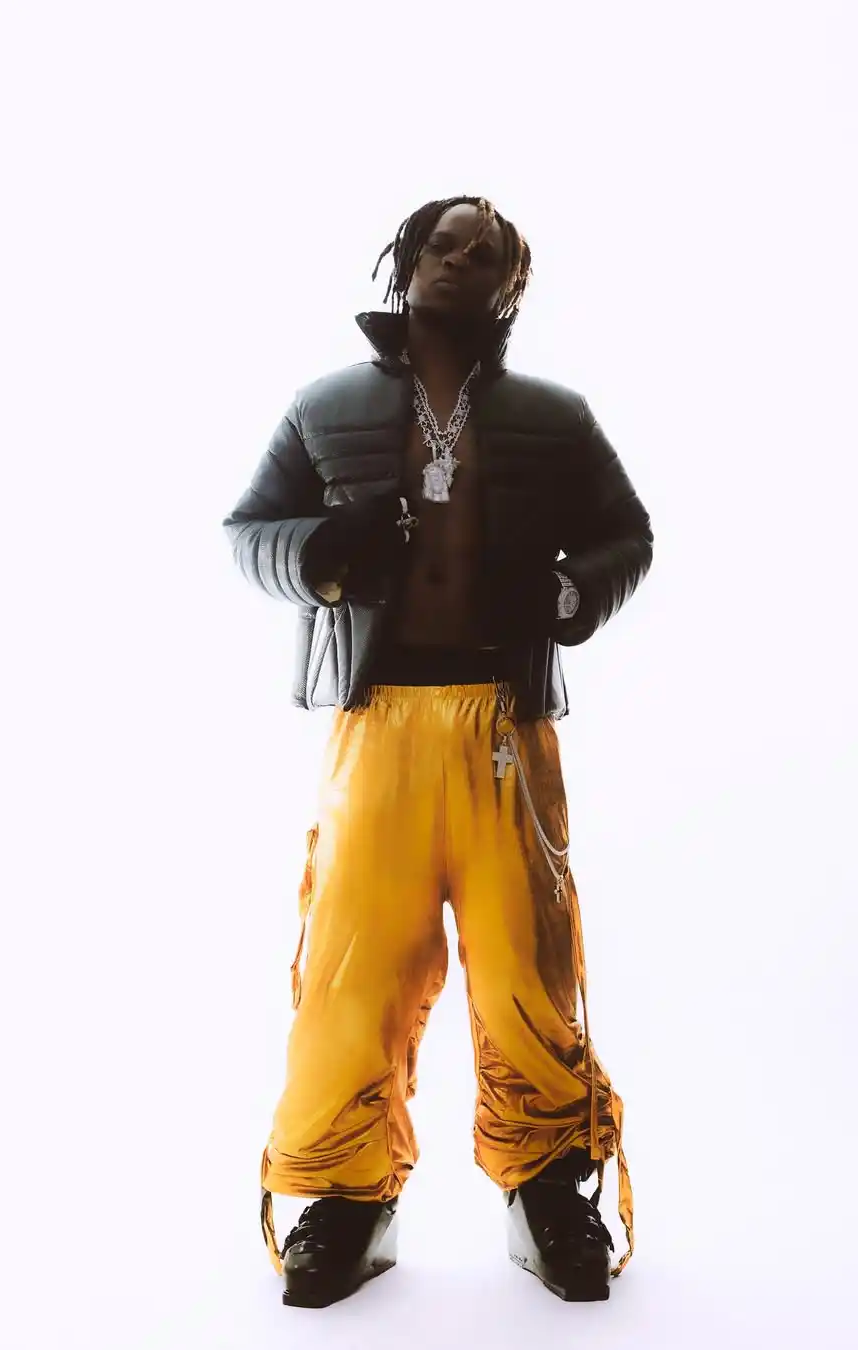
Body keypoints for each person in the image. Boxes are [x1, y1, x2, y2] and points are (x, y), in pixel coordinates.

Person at [222, 195, 654, 1308]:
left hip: (507, 722)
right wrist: (323, 552)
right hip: (376, 723)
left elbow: (628, 535)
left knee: (528, 968)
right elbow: (247, 533)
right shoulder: (325, 406)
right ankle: (344, 1199)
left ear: (512, 283)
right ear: (408, 259)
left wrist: (566, 594)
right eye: (446, 243)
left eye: (488, 252)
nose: (463, 259)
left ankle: (548, 1190)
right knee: (353, 967)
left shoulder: (555, 417)